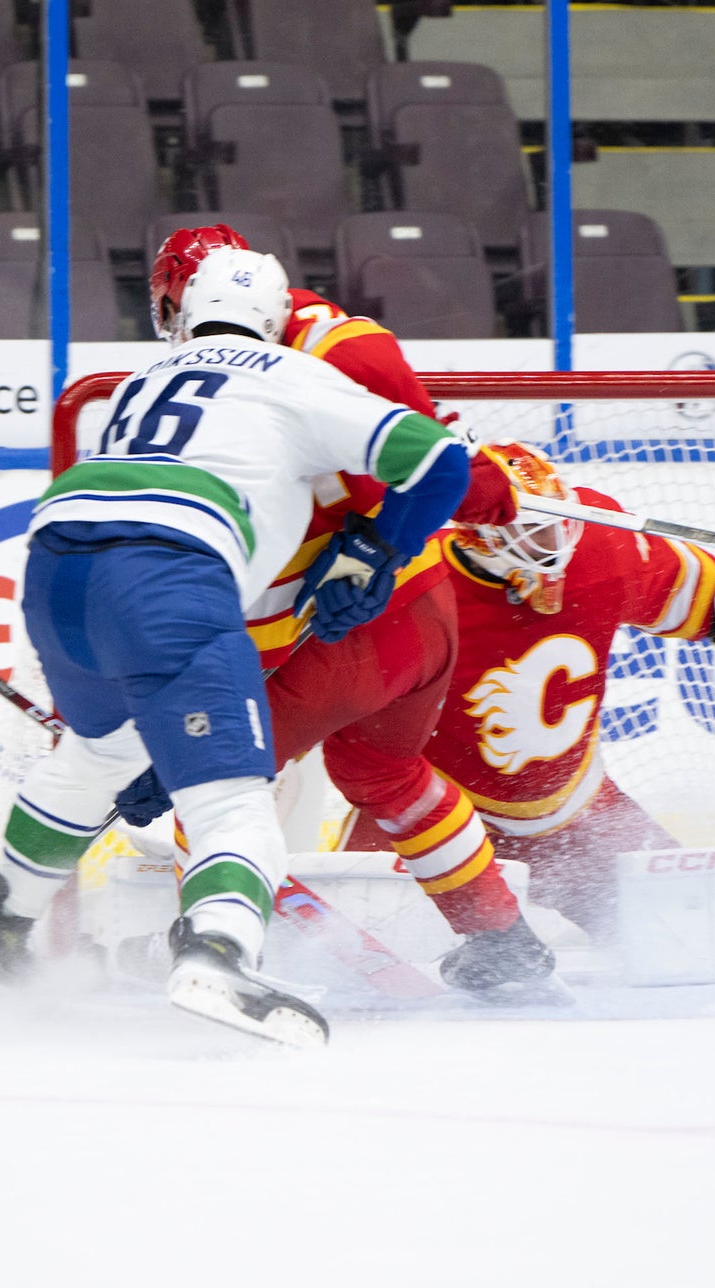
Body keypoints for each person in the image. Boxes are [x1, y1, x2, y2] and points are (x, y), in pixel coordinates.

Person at [0, 241, 474, 1047]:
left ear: (182, 311)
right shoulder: (297, 375)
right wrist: (373, 549)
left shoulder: (139, 383)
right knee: (232, 803)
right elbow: (440, 462)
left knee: (98, 758)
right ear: (279, 317)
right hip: (169, 571)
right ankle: (218, 949)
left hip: (56, 565)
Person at [113, 225, 558, 994]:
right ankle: (503, 937)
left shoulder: (314, 358)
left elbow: (431, 474)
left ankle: (223, 955)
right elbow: (444, 472)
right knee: (383, 768)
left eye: (174, 302)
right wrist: (477, 499)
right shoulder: (326, 345)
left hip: (344, 633)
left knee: (211, 791)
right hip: (420, 622)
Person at [341, 443, 715, 943]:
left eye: (557, 525)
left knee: (704, 936)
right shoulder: (413, 581)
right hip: (429, 817)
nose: (554, 547)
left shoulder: (601, 540)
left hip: (575, 819)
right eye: (530, 533)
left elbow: (709, 604)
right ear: (477, 535)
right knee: (341, 944)